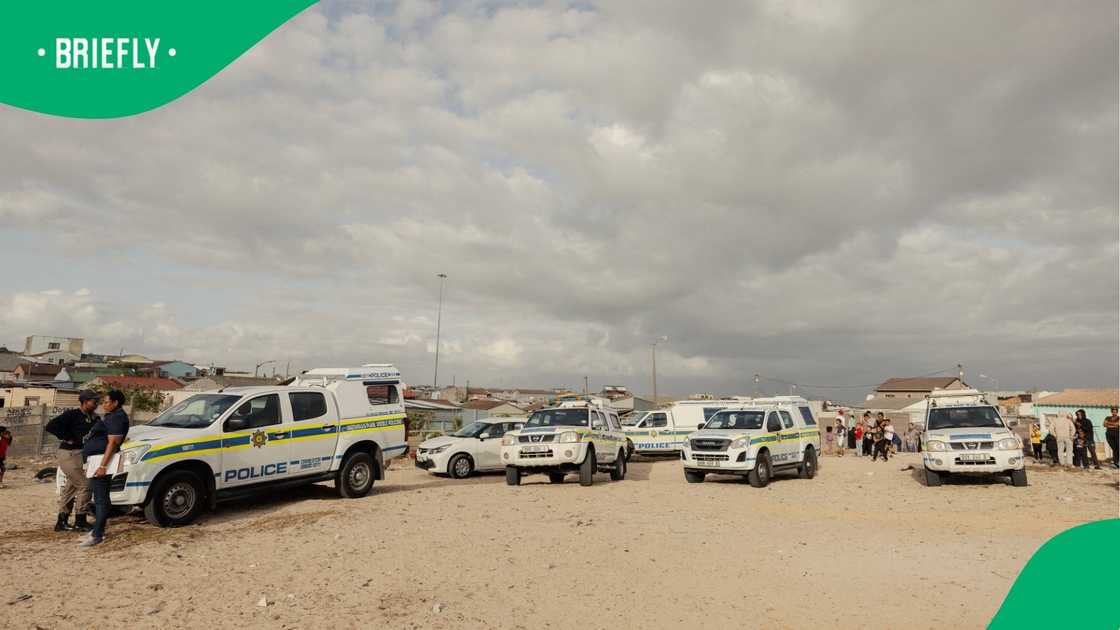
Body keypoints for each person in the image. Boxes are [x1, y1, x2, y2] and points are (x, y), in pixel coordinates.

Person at [80, 390, 129, 549]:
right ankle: (97, 529)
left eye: (107, 402)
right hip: (95, 461)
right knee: (99, 497)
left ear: (115, 403)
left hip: (101, 463)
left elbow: (113, 443)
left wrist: (103, 466)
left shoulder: (117, 418)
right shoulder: (111, 416)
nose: (103, 404)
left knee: (101, 499)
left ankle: (97, 535)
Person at [44, 390, 100, 532]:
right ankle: (80, 521)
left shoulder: (95, 418)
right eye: (94, 401)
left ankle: (61, 522)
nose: (96, 403)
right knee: (86, 485)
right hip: (69, 453)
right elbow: (51, 426)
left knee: (71, 487)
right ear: (85, 401)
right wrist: (68, 437)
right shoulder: (73, 414)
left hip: (82, 455)